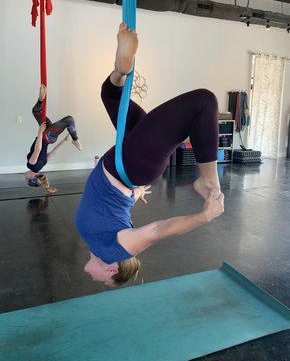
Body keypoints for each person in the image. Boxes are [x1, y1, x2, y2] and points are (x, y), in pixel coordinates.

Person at [76, 23, 224, 287]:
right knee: (204, 102)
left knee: (110, 94)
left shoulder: (97, 239)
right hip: (132, 163)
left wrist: (133, 194)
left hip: (128, 163)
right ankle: (209, 181)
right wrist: (204, 216)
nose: (93, 278)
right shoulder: (116, 251)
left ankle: (122, 69)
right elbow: (158, 230)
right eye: (104, 281)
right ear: (111, 271)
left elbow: (109, 209)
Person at [25, 85, 83, 193]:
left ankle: (40, 99)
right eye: (26, 178)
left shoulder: (42, 165)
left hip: (49, 138)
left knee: (36, 112)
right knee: (69, 120)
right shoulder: (31, 165)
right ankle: (75, 139)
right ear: (31, 176)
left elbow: (54, 152)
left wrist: (65, 141)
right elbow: (37, 149)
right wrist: (40, 132)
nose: (25, 176)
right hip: (46, 136)